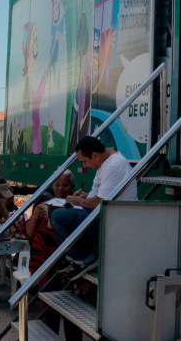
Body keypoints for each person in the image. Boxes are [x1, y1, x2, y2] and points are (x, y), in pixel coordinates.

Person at [50, 136, 133, 280]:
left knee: (59, 216)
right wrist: (84, 197)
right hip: (102, 215)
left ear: (94, 155)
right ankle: (73, 256)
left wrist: (79, 201)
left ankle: (85, 259)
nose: (84, 166)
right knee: (53, 208)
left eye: (84, 161)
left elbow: (99, 203)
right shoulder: (103, 163)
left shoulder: (113, 166)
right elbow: (98, 197)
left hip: (112, 221)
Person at [19, 170, 81, 340]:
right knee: (48, 314)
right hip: (45, 265)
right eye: (57, 185)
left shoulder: (77, 207)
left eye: (65, 185)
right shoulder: (45, 204)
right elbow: (29, 235)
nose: (60, 189)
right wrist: (35, 217)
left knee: (72, 316)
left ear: (72, 186)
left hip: (69, 266)